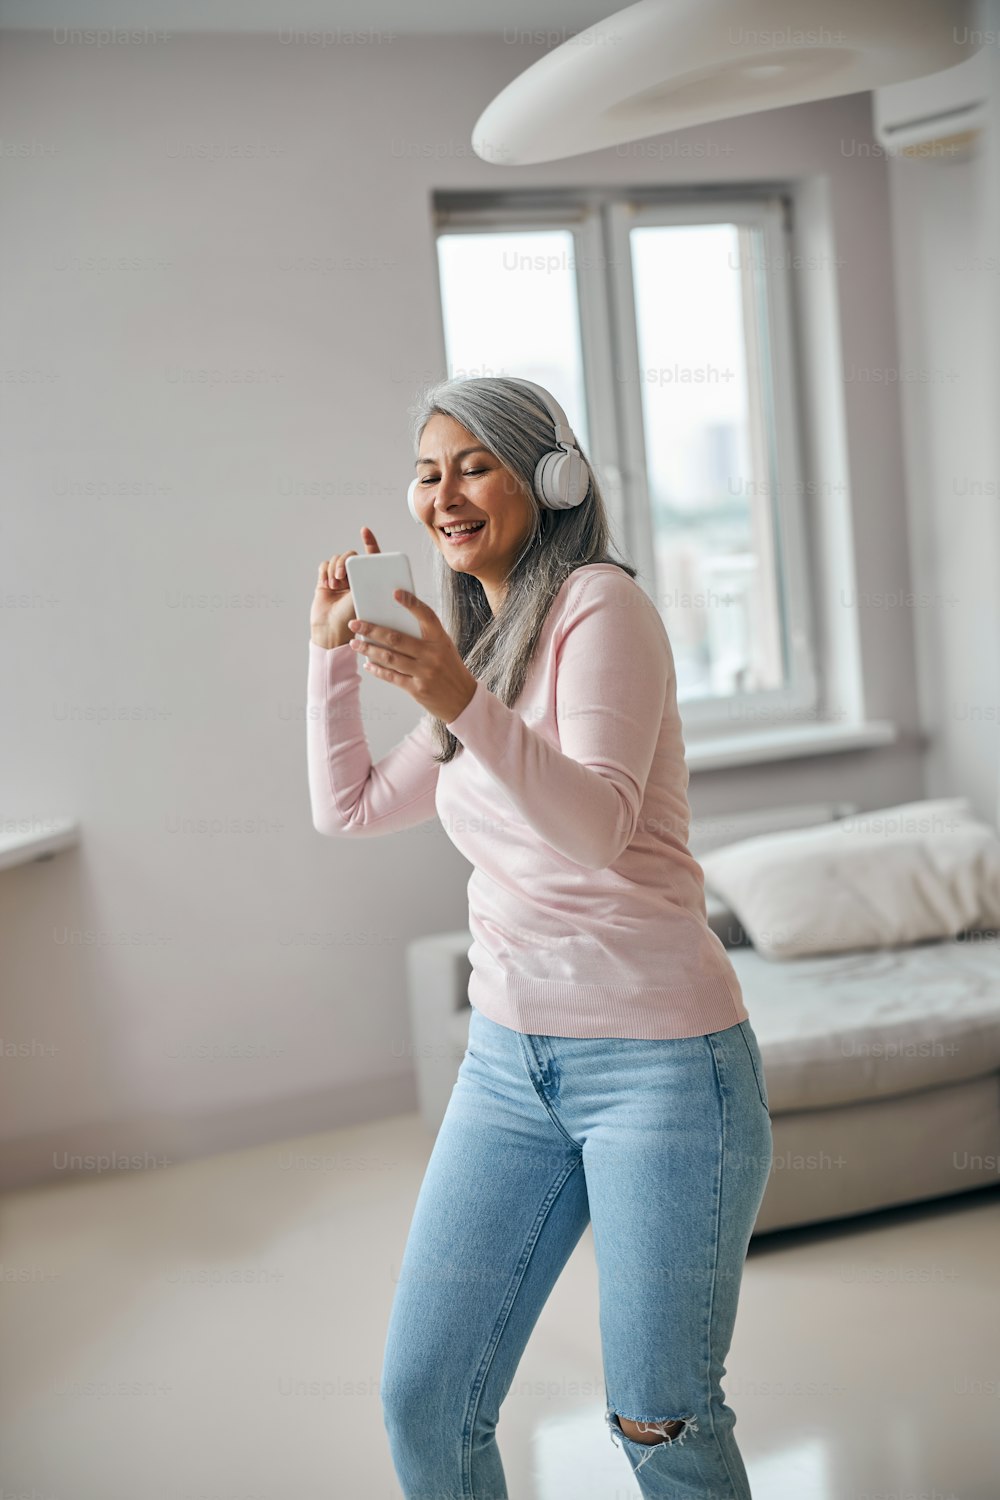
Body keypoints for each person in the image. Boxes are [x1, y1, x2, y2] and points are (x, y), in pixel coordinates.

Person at [306, 375, 773, 1499]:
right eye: (427, 471)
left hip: (662, 1069)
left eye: (473, 464)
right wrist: (330, 656)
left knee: (661, 1420)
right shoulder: (495, 648)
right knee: (424, 1402)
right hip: (509, 1065)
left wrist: (461, 698)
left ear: (549, 480)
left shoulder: (601, 608)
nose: (443, 493)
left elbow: (601, 827)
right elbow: (353, 807)